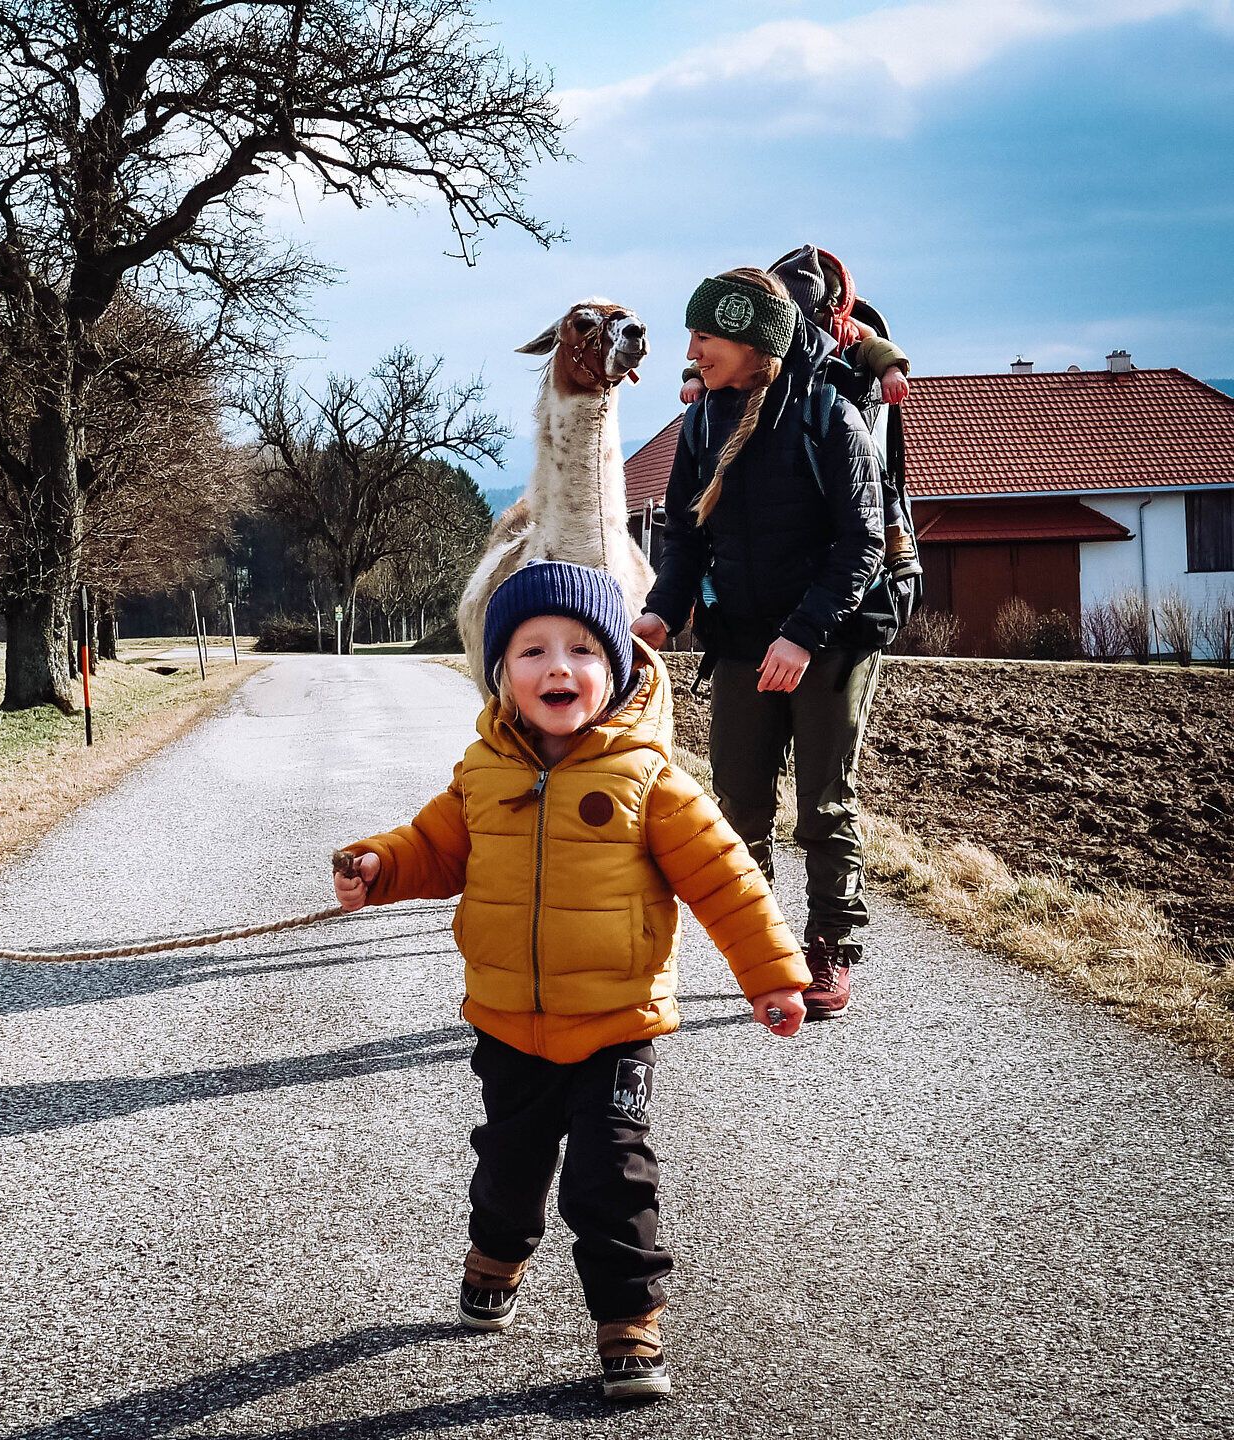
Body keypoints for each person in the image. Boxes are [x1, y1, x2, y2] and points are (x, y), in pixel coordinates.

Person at [332, 560, 810, 1403]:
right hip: (509, 1018)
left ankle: (629, 1322)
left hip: (617, 1023)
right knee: (510, 1161)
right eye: (532, 651)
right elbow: (434, 848)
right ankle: (497, 1254)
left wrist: (772, 976)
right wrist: (379, 864)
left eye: (584, 648)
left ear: (618, 667)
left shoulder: (651, 778)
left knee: (612, 1176)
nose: (559, 667)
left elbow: (725, 880)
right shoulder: (481, 772)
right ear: (501, 675)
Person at [634, 267, 887, 1020]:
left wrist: (804, 637)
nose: (693, 350)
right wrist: (662, 611)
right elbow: (685, 532)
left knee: (821, 807)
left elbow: (862, 543)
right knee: (739, 806)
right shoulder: (703, 423)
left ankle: (831, 946)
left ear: (753, 343)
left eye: (706, 336)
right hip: (743, 640)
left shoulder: (827, 419)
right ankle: (765, 942)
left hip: (831, 642)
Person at [678, 245, 910, 410]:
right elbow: (722, 359)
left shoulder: (840, 332)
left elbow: (874, 345)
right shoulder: (762, 340)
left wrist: (892, 371)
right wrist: (694, 378)